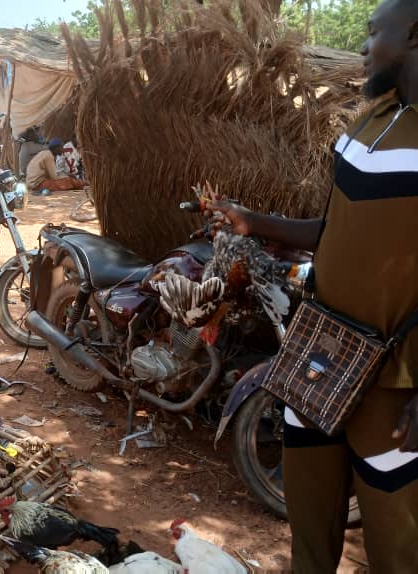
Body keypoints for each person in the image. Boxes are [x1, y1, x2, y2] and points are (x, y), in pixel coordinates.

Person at [212, 1, 417, 569]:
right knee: (309, 524)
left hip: (394, 379)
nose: (364, 45)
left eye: (374, 31)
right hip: (320, 354)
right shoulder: (373, 120)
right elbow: (336, 228)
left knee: (396, 546)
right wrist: (253, 221)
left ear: (413, 34)